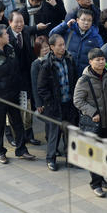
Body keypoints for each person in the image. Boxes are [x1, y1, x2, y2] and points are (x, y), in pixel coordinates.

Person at [0, 24, 37, 164]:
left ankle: (21, 149)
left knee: (17, 122)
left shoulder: (10, 49)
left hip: (13, 93)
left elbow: (15, 69)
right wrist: (0, 86)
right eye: (6, 34)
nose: (8, 35)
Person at [73, 48, 107, 197]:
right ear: (90, 62)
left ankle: (102, 179)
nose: (101, 62)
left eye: (102, 59)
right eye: (97, 60)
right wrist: (92, 112)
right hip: (93, 123)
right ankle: (95, 184)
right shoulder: (84, 80)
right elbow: (78, 100)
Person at [37, 34, 79, 171]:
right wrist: (51, 102)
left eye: (63, 44)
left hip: (69, 103)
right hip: (55, 105)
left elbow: (75, 79)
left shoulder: (69, 59)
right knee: (54, 134)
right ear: (52, 47)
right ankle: (51, 159)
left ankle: (70, 158)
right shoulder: (47, 64)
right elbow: (41, 88)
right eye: (59, 45)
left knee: (70, 132)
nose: (62, 47)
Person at [6, 10, 41, 146]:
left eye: (22, 22)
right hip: (11, 80)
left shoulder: (25, 33)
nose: (20, 24)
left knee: (27, 106)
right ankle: (11, 135)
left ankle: (28, 134)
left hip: (25, 77)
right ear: (10, 23)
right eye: (17, 22)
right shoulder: (5, 36)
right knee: (12, 108)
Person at [50, 8, 104, 77]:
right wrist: (65, 25)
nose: (86, 23)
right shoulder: (69, 30)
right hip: (67, 72)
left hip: (86, 74)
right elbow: (52, 35)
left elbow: (101, 54)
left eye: (89, 20)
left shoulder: (96, 37)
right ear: (77, 20)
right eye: (83, 20)